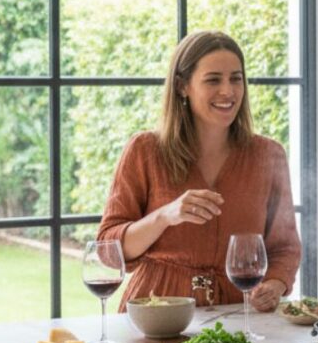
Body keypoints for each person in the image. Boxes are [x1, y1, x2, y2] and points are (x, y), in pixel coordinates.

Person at [98, 30, 301, 312]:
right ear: (183, 86)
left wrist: (276, 284)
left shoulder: (268, 155)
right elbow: (109, 250)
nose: (228, 91)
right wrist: (166, 215)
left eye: (236, 79)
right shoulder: (145, 150)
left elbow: (285, 248)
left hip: (237, 315)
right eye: (213, 79)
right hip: (156, 312)